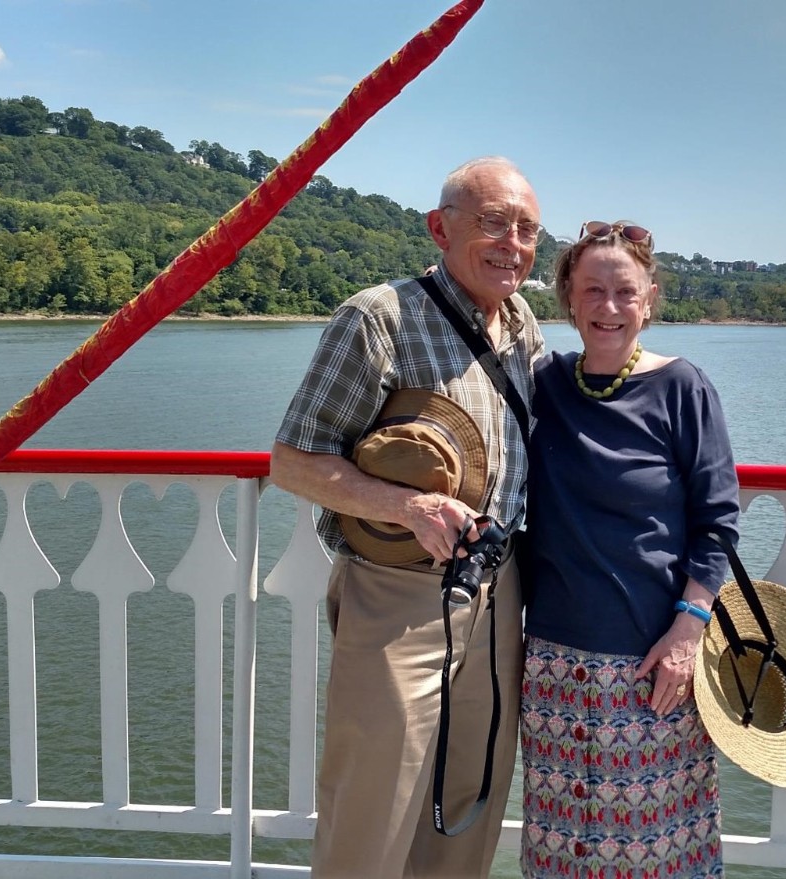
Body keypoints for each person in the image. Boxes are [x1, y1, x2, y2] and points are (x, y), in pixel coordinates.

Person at [270, 156, 545, 879]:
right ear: (440, 227)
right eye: (491, 221)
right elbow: (294, 460)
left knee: (470, 804)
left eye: (526, 229)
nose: (510, 242)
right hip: (399, 597)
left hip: (498, 589)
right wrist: (407, 505)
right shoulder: (379, 317)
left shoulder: (521, 323)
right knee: (373, 811)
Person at [519, 221, 740, 878]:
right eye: (593, 290)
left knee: (658, 849)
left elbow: (718, 521)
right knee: (565, 849)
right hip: (554, 664)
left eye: (624, 291)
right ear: (569, 299)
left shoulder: (683, 387)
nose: (608, 307)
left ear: (648, 300)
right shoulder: (544, 383)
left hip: (654, 664)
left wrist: (688, 630)